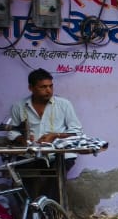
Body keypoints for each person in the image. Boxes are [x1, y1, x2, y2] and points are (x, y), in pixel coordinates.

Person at [8, 69, 84, 201]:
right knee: (19, 181)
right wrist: (21, 138)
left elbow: (77, 131)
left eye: (50, 86)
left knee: (54, 182)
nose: (48, 90)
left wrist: (56, 135)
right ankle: (29, 210)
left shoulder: (64, 104)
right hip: (30, 155)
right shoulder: (19, 106)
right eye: (43, 87)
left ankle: (49, 209)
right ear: (31, 88)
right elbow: (12, 131)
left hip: (59, 154)